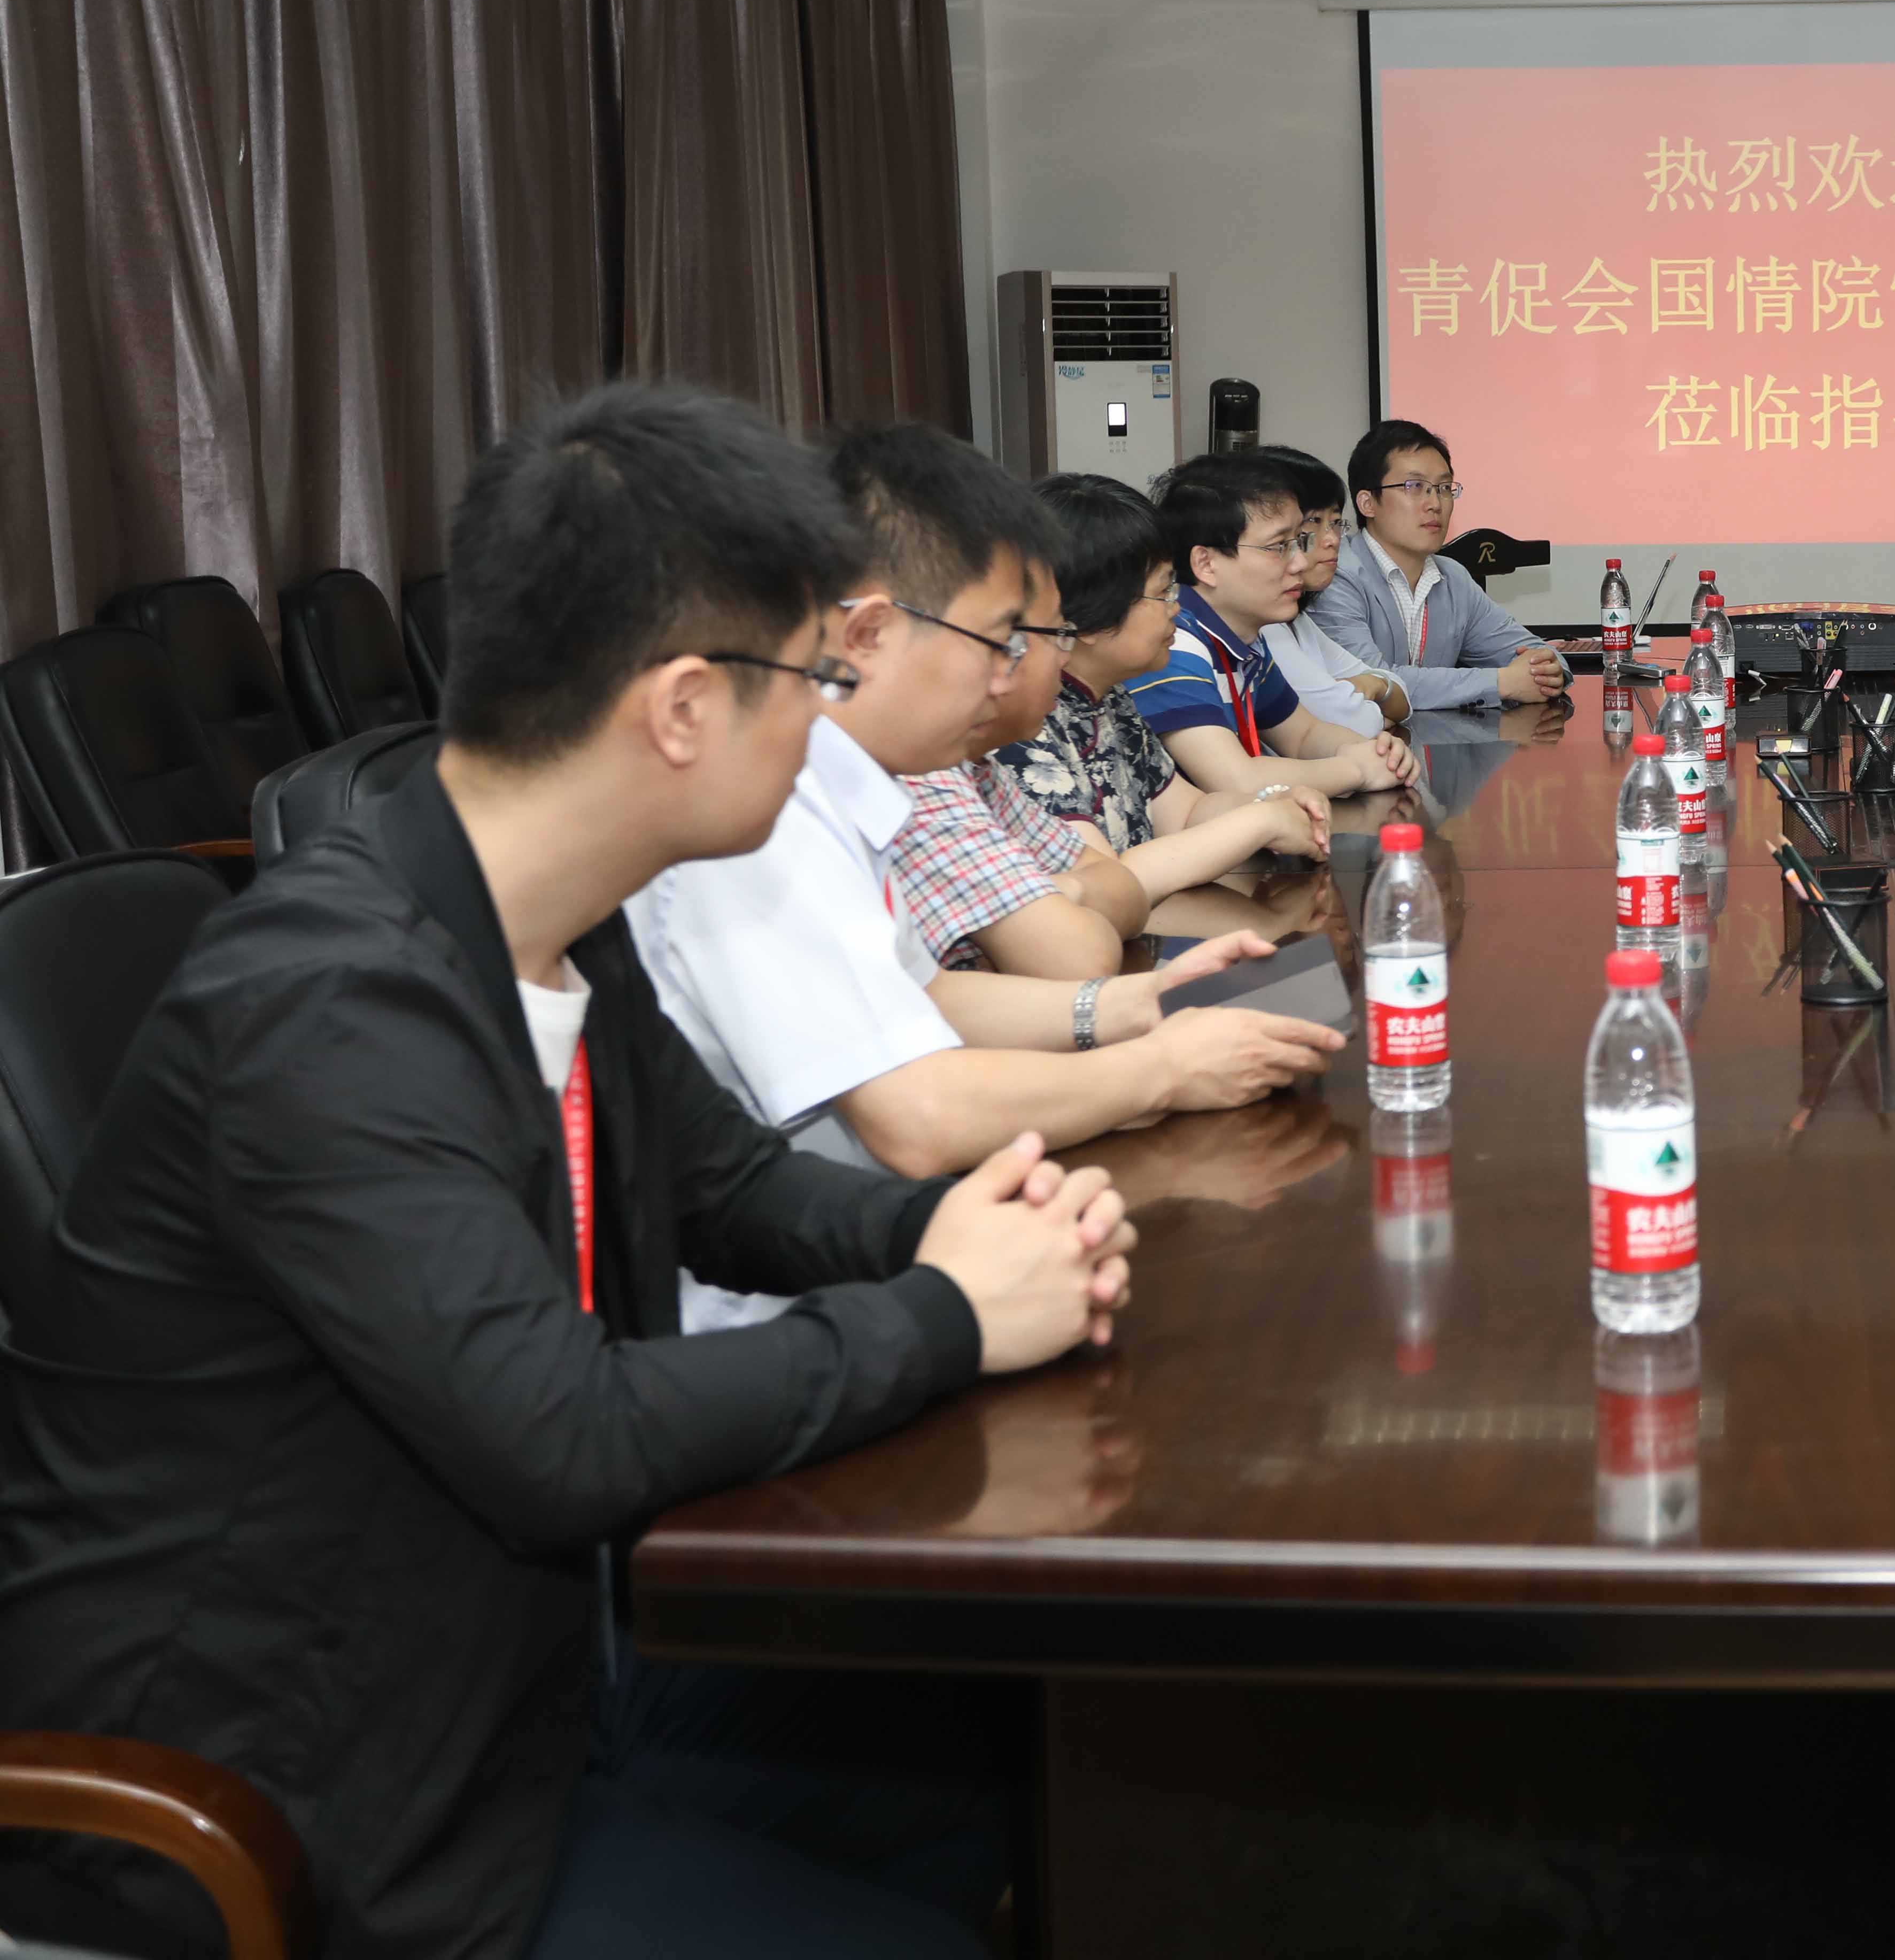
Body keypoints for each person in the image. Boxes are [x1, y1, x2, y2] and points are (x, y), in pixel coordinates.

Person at [0, 385, 1141, 1960]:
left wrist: (970, 1225)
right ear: (682, 708)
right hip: (307, 1792)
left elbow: (736, 1189)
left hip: (519, 1676)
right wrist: (950, 1311)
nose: (829, 723)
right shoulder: (329, 1003)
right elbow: (565, 1432)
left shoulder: (551, 919)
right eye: (814, 678)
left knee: (1030, 1764)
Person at [623, 426, 1344, 1254]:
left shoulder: (861, 772)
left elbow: (922, 993)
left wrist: (1139, 1004)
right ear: (870, 634)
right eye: (1003, 641)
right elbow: (918, 1119)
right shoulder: (757, 801)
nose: (1014, 676)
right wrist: (1164, 1066)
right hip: (795, 1269)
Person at [992, 472, 1333, 885]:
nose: (1177, 609)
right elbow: (1102, 884)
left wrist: (1273, 803)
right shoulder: (1020, 722)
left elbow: (1185, 813)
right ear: (1091, 616)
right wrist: (1261, 822)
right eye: (1164, 592)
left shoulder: (1110, 699)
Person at [892, 552, 1144, 977]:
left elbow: (1127, 893)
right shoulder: (925, 777)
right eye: (1058, 634)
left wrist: (1057, 893)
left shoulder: (977, 767)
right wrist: (1056, 902)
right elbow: (1077, 958)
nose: (1065, 659)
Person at [1133, 453, 1421, 801]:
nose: (1299, 563)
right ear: (1206, 564)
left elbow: (1303, 736)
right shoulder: (1173, 644)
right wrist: (1357, 771)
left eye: (1298, 542)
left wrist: (1376, 754)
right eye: (1279, 547)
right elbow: (1236, 781)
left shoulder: (1245, 639)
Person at [1309, 419, 1569, 710]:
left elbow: (1538, 652)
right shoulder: (1334, 573)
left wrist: (1548, 670)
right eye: (1415, 486)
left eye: (1444, 488)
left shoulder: (1453, 577)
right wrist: (1502, 683)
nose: (1435, 503)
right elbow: (1370, 684)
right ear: (1368, 503)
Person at [1255, 444, 1410, 735]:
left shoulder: (1298, 620)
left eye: (1336, 523)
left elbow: (1403, 699)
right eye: (1314, 521)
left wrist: (1375, 685)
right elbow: (1354, 722)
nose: (1333, 539)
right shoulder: (1264, 624)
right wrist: (1375, 703)